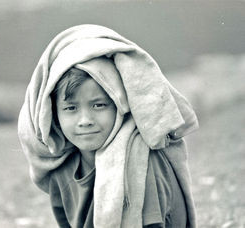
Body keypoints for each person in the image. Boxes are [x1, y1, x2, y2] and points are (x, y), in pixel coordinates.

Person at [18, 24, 199, 228]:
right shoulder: (62, 169)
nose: (85, 120)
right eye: (70, 108)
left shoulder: (141, 159)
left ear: (120, 107)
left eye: (99, 105)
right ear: (53, 115)